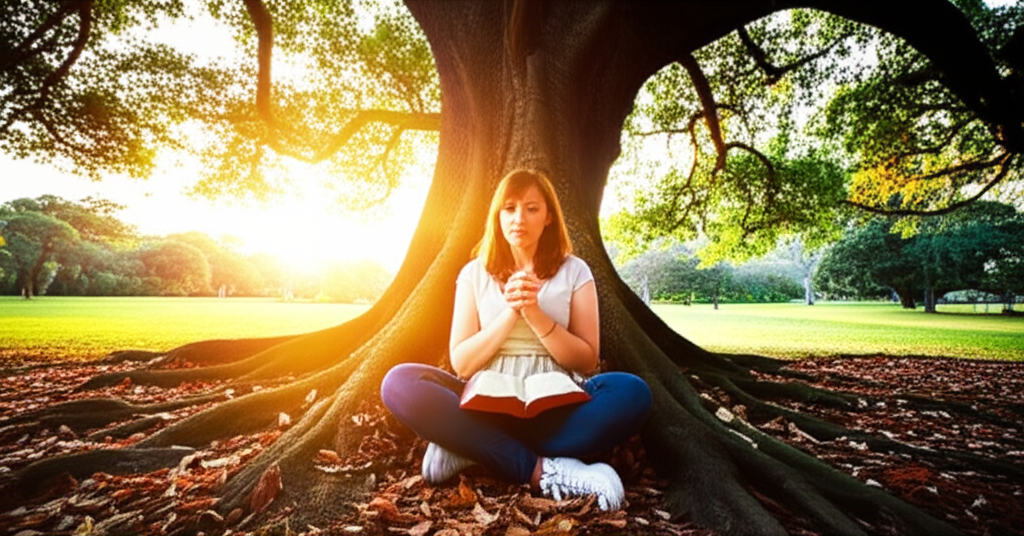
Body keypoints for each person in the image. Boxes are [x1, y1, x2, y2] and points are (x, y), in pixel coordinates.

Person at [381, 169, 652, 511]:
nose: (519, 218)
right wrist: (510, 312)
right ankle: (543, 471)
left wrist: (535, 314)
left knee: (633, 392)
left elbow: (586, 360)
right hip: (486, 403)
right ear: (498, 215)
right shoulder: (474, 273)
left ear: (548, 216)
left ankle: (473, 447)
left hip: (555, 407)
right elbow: (462, 363)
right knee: (399, 383)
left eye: (531, 208)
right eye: (509, 208)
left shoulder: (575, 271)